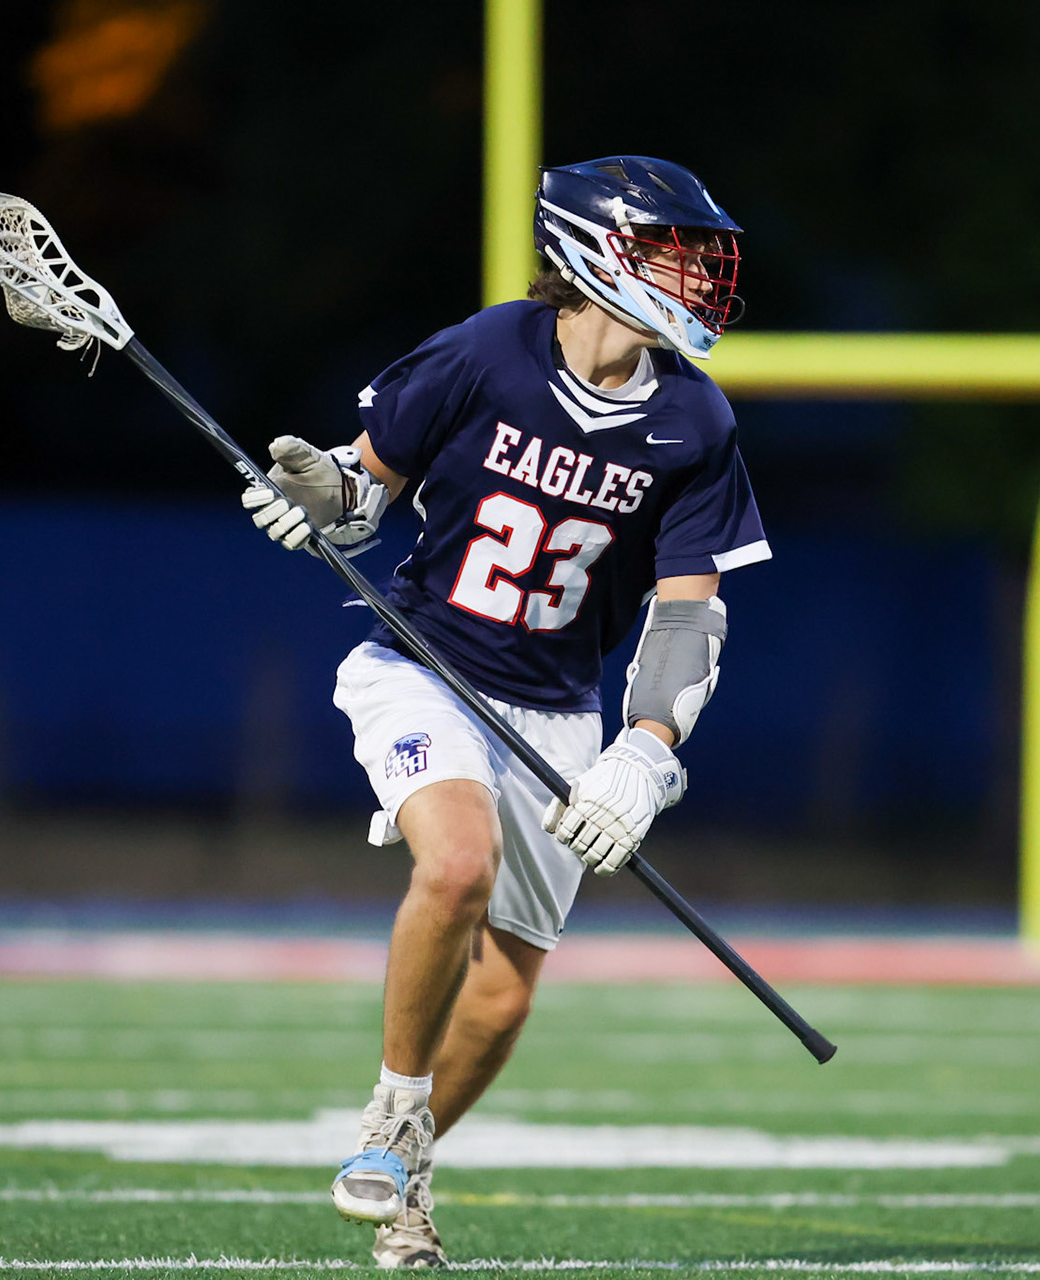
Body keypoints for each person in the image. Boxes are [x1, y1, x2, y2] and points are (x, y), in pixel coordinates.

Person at [239, 156, 769, 1269]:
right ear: (590, 252)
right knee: (456, 865)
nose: (694, 274)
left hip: (561, 710)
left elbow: (687, 618)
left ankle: (408, 1167)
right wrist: (320, 499)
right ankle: (391, 1110)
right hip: (425, 665)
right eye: (669, 248)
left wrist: (647, 751)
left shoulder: (695, 421)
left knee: (503, 999)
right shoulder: (489, 352)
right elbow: (367, 483)